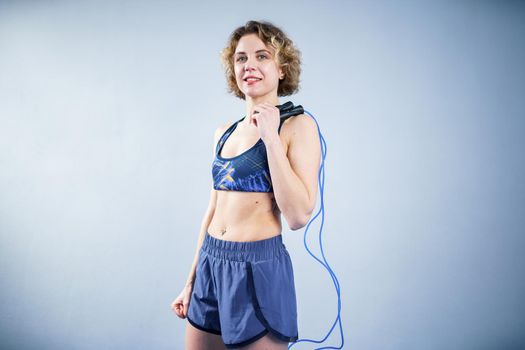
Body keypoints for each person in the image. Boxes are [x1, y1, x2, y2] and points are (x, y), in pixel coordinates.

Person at [171, 20, 321, 350]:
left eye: (262, 56)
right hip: (211, 262)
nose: (249, 65)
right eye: (241, 58)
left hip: (257, 268)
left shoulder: (298, 126)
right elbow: (213, 210)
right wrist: (191, 281)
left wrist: (270, 135)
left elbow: (297, 216)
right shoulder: (224, 131)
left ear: (281, 68)